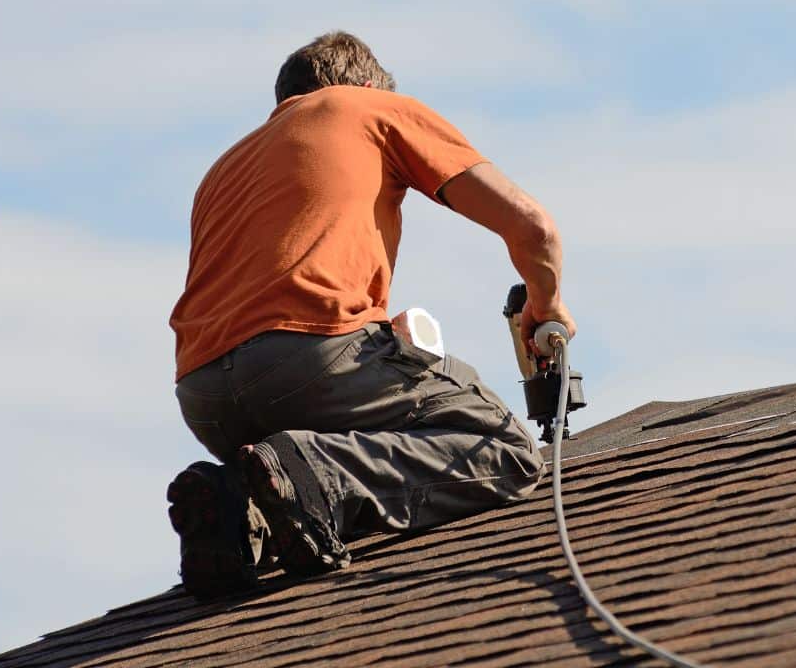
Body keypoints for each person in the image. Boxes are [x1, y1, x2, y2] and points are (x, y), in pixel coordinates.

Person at [165, 31, 576, 599]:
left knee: (290, 474)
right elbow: (535, 229)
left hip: (205, 395)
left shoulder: (224, 169)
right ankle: (319, 475)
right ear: (362, 85)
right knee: (503, 449)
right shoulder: (368, 107)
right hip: (310, 358)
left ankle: (242, 513)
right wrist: (545, 303)